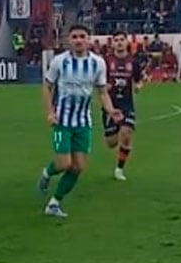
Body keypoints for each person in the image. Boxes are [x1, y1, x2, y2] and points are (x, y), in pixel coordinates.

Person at [35, 24, 120, 218]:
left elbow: (102, 91)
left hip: (83, 122)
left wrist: (110, 109)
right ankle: (47, 173)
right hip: (62, 121)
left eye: (82, 36)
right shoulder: (59, 62)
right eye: (75, 37)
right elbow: (47, 87)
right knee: (64, 163)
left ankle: (54, 203)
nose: (79, 40)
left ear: (88, 39)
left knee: (79, 166)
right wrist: (50, 112)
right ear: (69, 40)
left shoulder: (98, 63)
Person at [104, 38, 143, 181]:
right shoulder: (106, 61)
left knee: (126, 133)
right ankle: (113, 134)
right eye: (116, 40)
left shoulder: (133, 62)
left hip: (127, 105)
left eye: (122, 40)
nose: (119, 42)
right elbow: (99, 81)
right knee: (111, 142)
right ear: (112, 43)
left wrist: (138, 86)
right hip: (110, 106)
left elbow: (139, 79)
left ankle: (119, 169)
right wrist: (104, 87)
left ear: (126, 43)